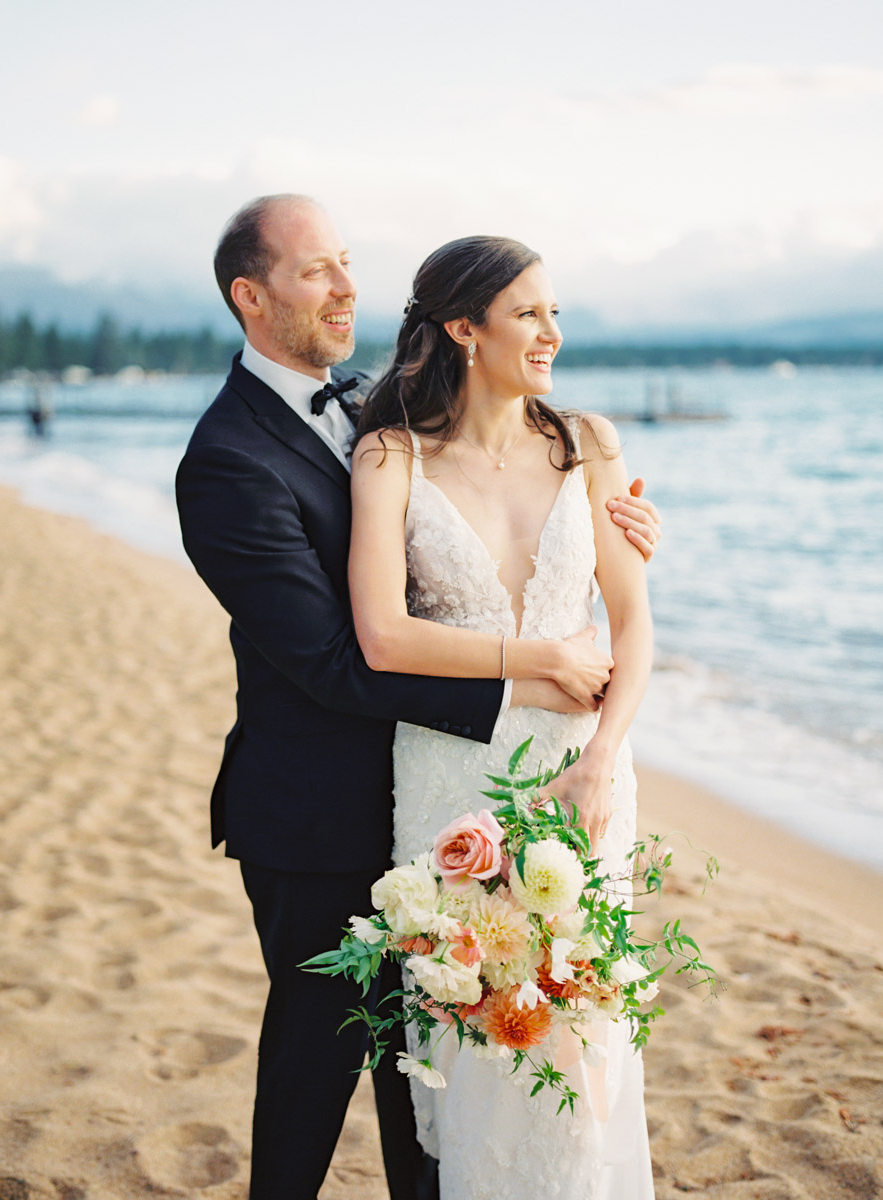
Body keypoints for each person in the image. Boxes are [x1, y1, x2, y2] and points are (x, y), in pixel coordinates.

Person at [176, 195, 662, 1200]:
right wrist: (532, 666)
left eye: (348, 263)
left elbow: (493, 436)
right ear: (250, 296)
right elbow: (333, 661)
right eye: (318, 271)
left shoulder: (371, 408)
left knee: (442, 1079)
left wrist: (618, 523)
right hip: (316, 812)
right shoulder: (226, 461)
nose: (348, 286)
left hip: (450, 791)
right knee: (317, 1061)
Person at [348, 235, 654, 1197]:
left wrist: (604, 757)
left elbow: (637, 618)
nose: (552, 334)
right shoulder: (394, 454)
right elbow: (383, 638)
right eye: (529, 314)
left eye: (554, 312)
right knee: (477, 1031)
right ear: (462, 328)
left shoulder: (589, 444)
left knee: (582, 1037)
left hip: (584, 779)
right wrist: (545, 660)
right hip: (452, 779)